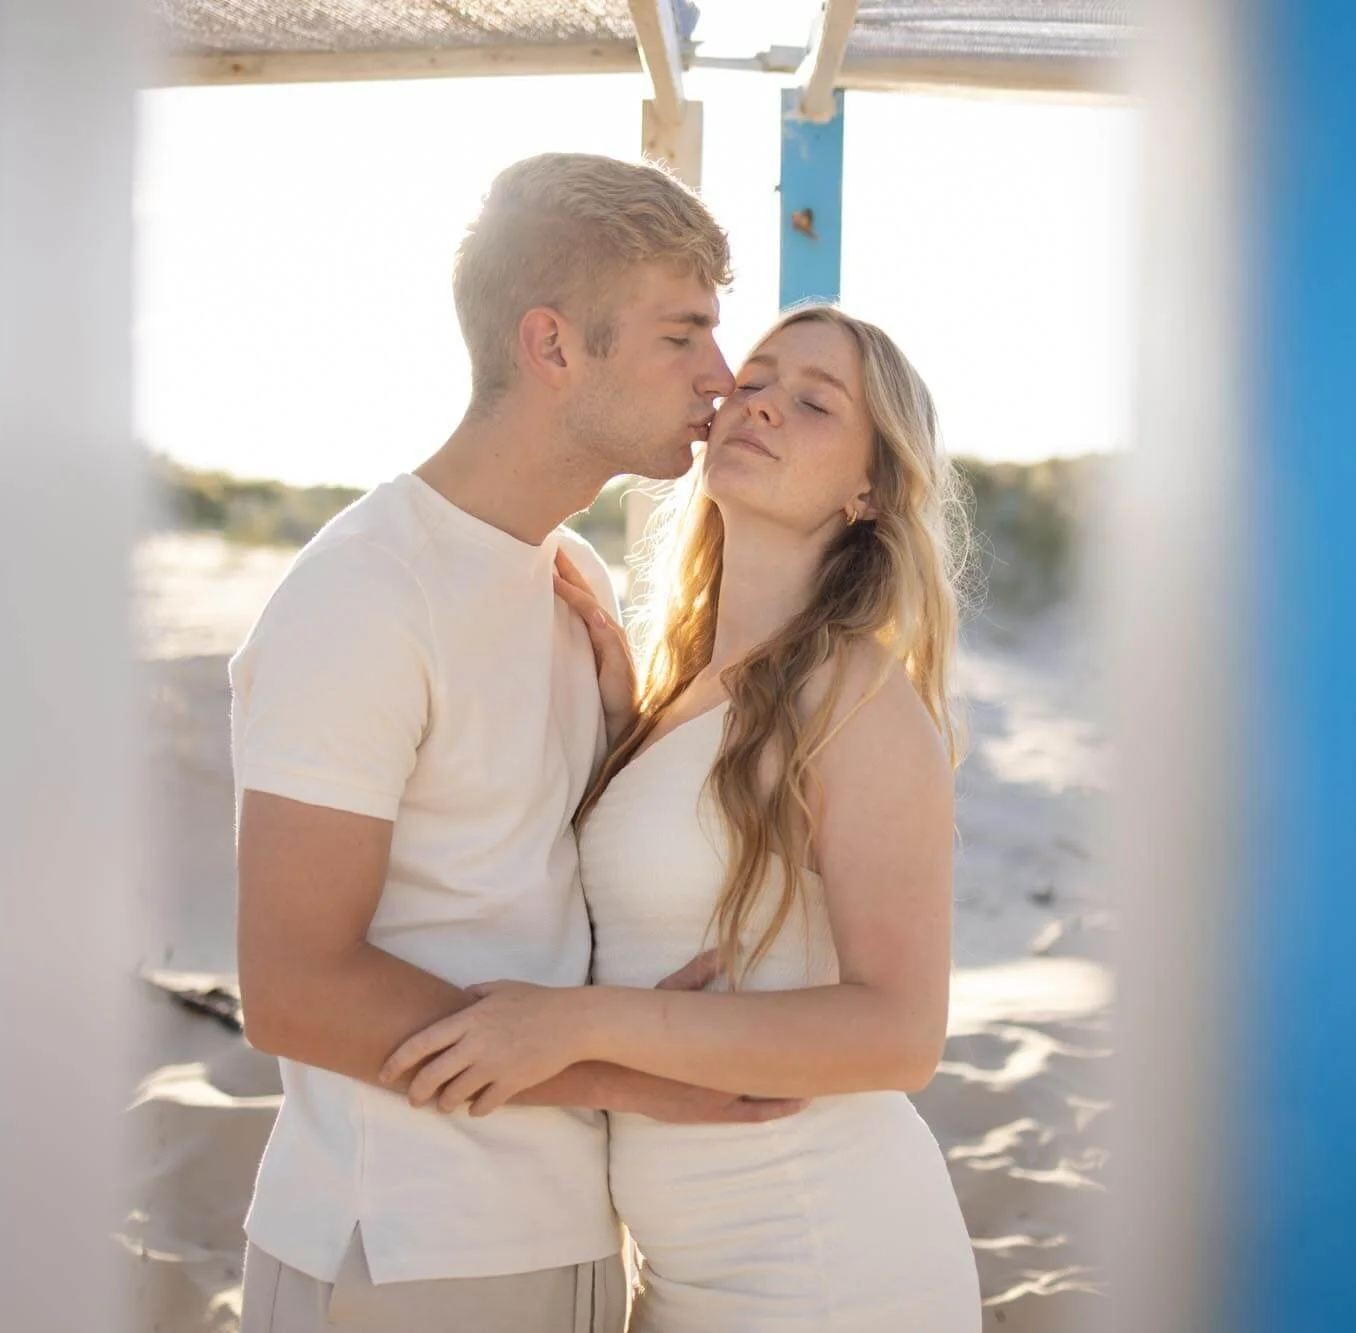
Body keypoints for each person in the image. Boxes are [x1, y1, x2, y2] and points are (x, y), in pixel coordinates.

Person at [229, 152, 803, 1333]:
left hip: (567, 1225)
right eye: (679, 334)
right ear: (551, 347)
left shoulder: (568, 576)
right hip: (400, 1248)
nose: (720, 374)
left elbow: (524, 879)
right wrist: (624, 1073)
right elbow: (290, 987)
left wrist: (623, 728)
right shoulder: (360, 597)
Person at [384, 305, 984, 1329]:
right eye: (754, 377)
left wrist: (569, 1025)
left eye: (812, 401)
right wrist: (621, 734)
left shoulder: (857, 700)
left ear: (868, 491)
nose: (760, 402)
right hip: (683, 1273)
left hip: (824, 1262)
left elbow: (898, 1034)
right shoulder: (684, 692)